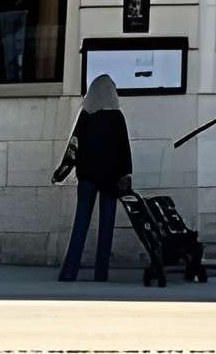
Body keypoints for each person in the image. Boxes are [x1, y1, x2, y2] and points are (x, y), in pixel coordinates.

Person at [53, 72, 132, 283]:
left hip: (87, 177)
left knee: (80, 225)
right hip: (111, 179)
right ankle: (101, 273)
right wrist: (126, 175)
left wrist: (63, 170)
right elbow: (124, 150)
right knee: (107, 227)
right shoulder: (117, 117)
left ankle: (69, 272)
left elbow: (74, 146)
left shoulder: (86, 116)